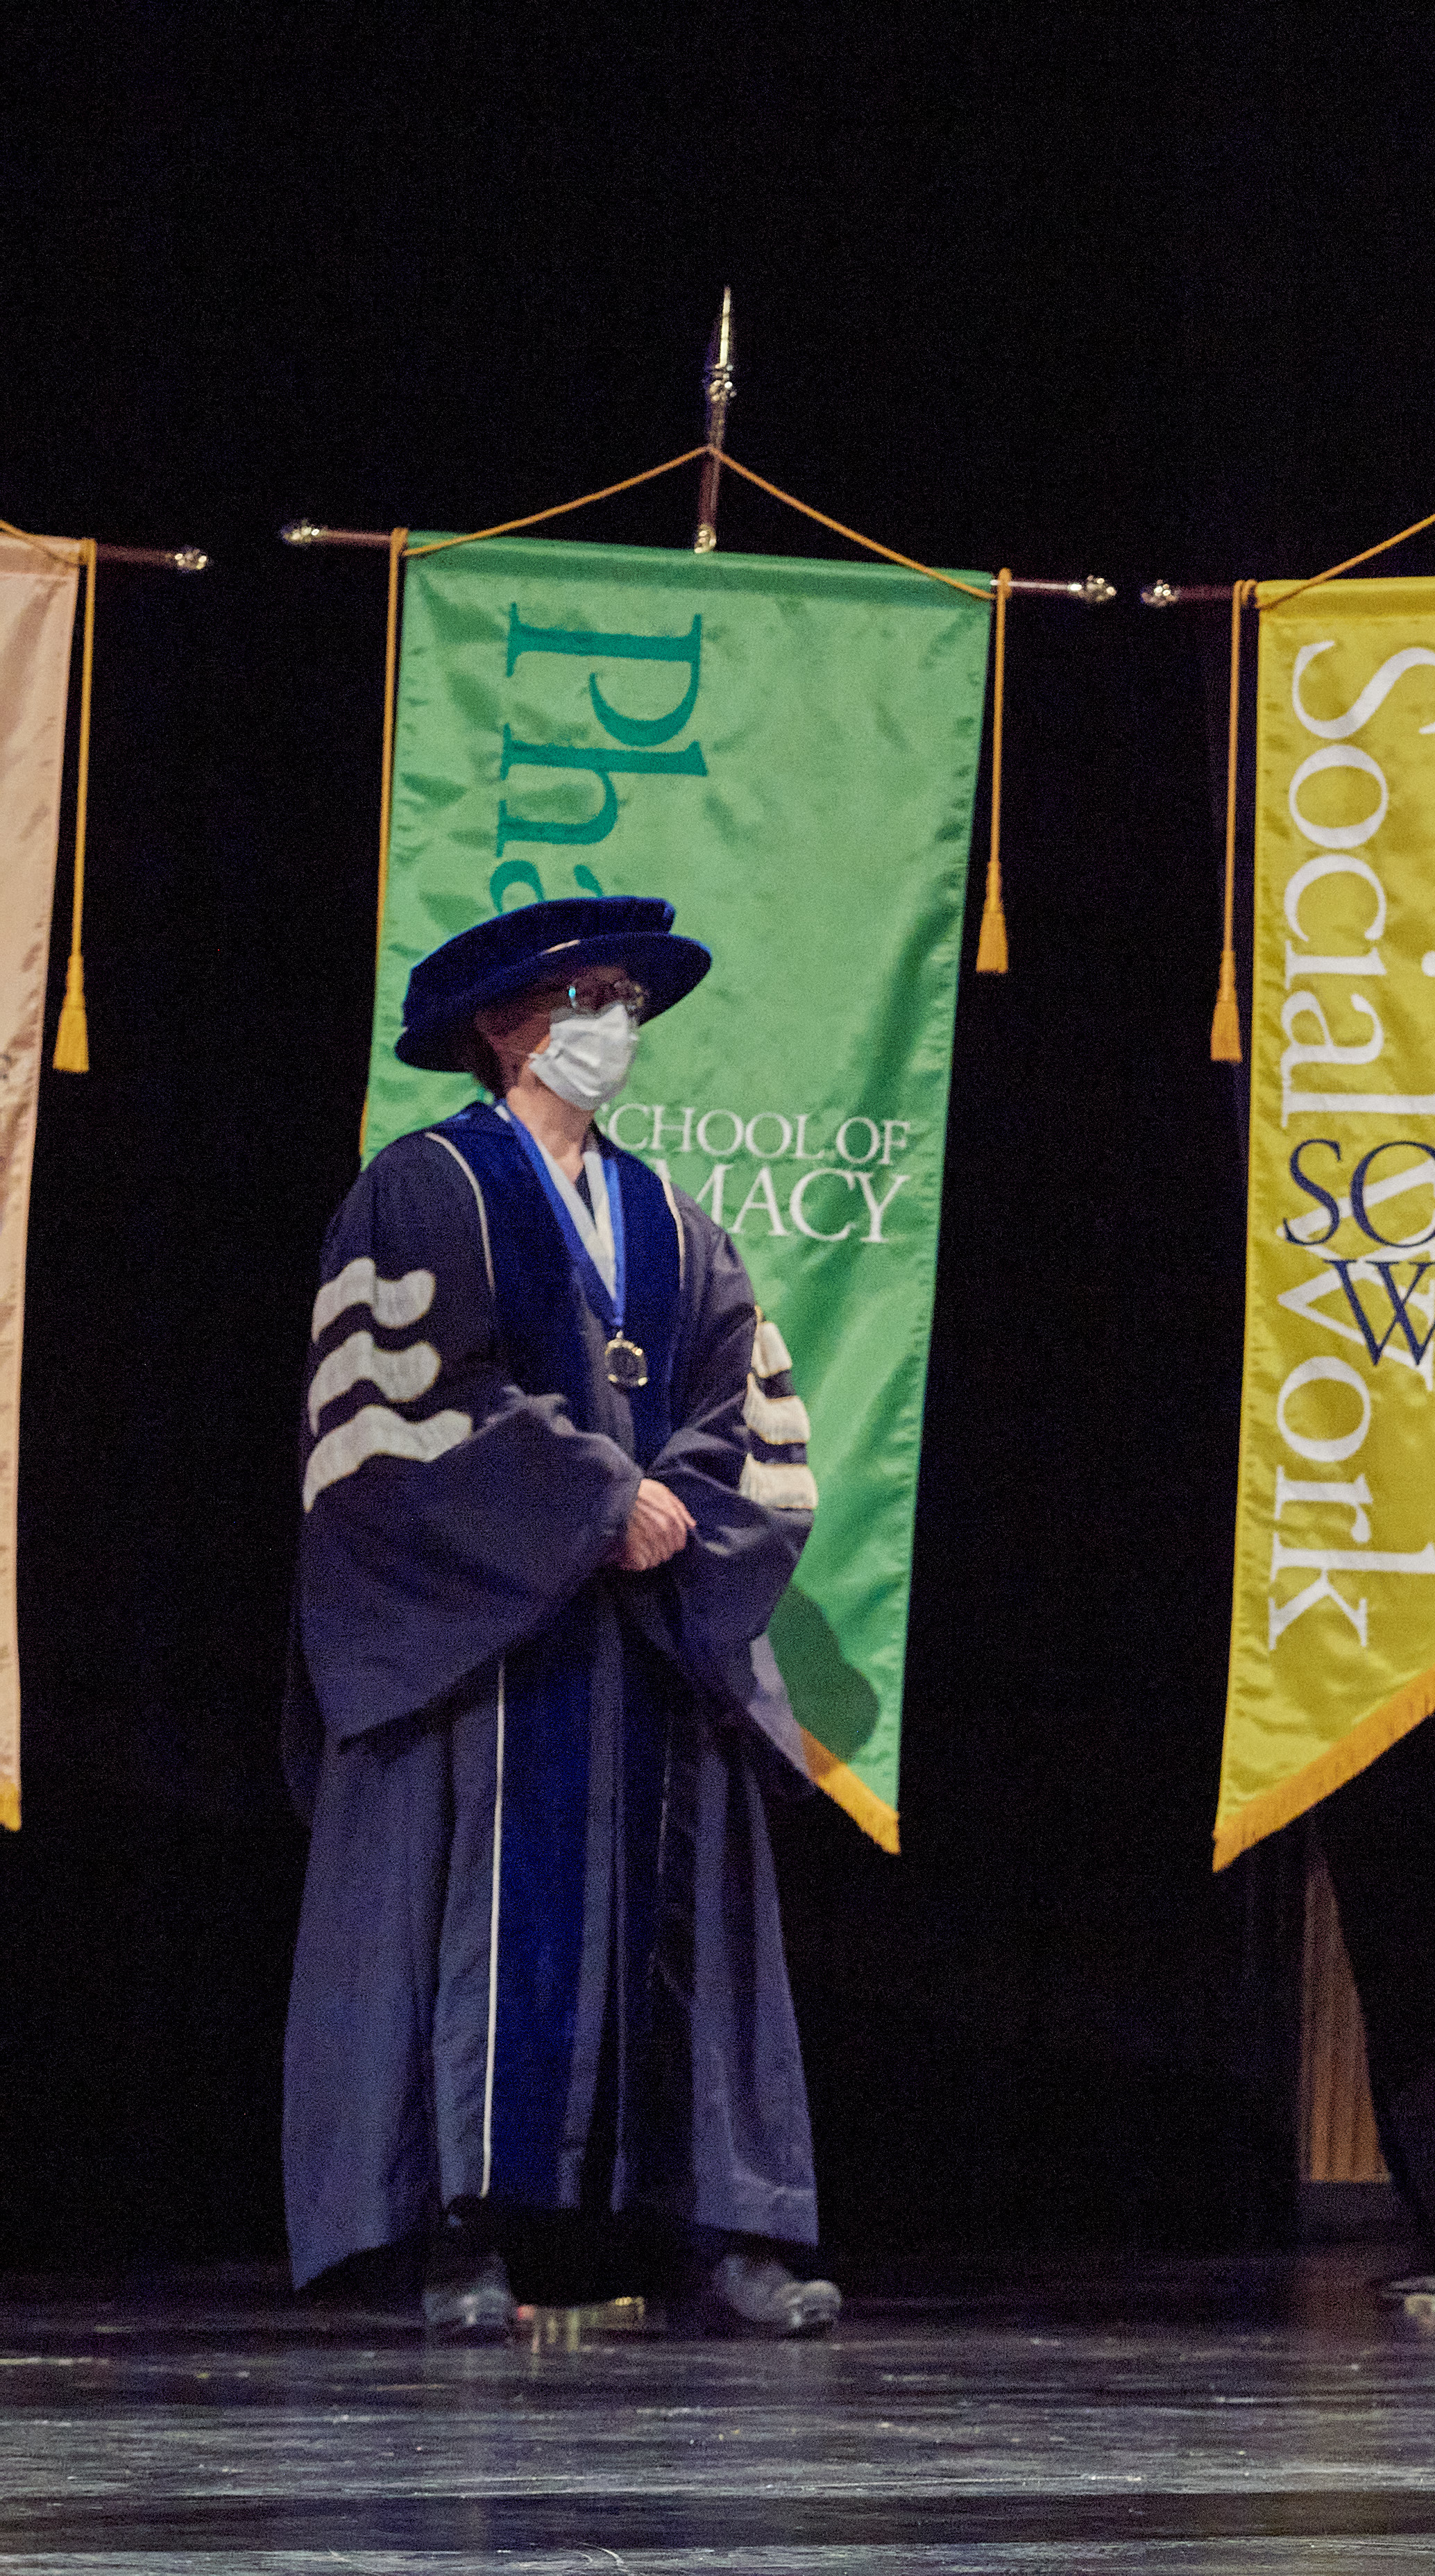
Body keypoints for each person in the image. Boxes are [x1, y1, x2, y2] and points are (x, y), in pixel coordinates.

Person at [282, 895, 842, 2339]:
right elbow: (398, 1402)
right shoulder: (425, 1189)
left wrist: (674, 1511)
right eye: (586, 995)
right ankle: (454, 2229)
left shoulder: (671, 1217)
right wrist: (597, 1498)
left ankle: (716, 2229)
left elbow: (747, 1411)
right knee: (469, 1918)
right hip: (494, 1636)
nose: (615, 1025)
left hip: (646, 1640)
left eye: (626, 1000)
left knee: (689, 1927)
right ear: (502, 1026)